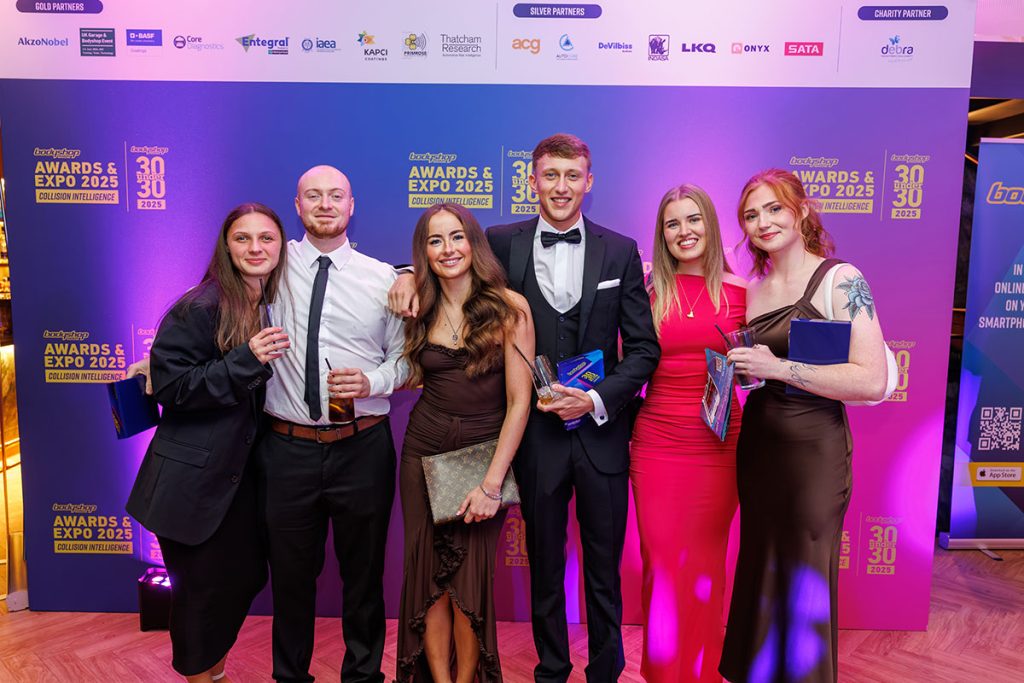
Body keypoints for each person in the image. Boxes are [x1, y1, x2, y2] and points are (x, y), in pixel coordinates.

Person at [391, 134, 660, 682]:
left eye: (572, 175)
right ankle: (551, 671)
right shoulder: (499, 242)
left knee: (604, 569)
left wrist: (595, 398)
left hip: (601, 435)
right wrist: (403, 273)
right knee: (544, 566)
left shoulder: (620, 250)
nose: (561, 187)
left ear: (589, 181)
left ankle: (604, 673)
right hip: (533, 437)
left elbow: (643, 350)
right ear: (532, 181)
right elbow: (448, 265)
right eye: (550, 175)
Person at [720, 169, 888, 683]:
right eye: (751, 215)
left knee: (806, 575)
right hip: (759, 448)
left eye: (774, 208)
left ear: (802, 210)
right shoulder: (752, 289)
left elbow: (871, 378)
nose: (763, 222)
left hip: (816, 453)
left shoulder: (841, 279)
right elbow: (756, 375)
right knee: (762, 567)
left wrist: (779, 368)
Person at [126, 202, 290, 683]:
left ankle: (213, 675)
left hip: (238, 482)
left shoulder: (265, 302)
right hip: (191, 484)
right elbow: (173, 388)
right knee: (201, 596)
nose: (255, 248)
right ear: (226, 246)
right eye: (243, 238)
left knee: (242, 580)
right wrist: (247, 359)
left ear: (282, 247)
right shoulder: (200, 305)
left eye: (266, 238)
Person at [257, 165, 407, 683]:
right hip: (286, 449)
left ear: (351, 206)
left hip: (362, 448)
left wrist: (372, 382)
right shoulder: (270, 266)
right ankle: (289, 677)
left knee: (363, 577)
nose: (325, 204)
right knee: (290, 580)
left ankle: (363, 676)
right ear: (297, 206)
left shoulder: (383, 278)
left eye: (336, 195)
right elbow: (214, 308)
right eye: (314, 196)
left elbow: (405, 361)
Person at [395, 203, 534, 683]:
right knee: (428, 581)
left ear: (474, 243)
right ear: (424, 252)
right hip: (422, 452)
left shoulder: (510, 308)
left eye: (456, 237)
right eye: (435, 241)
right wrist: (403, 276)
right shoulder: (418, 305)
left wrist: (492, 485)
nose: (447, 249)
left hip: (481, 457)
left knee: (468, 584)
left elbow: (520, 402)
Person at [630, 184, 745, 683]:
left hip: (719, 444)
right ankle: (663, 674)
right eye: (672, 223)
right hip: (657, 443)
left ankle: (702, 673)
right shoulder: (645, 292)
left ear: (711, 225)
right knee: (660, 564)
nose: (684, 231)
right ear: (662, 234)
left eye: (693, 219)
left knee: (705, 566)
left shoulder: (744, 291)